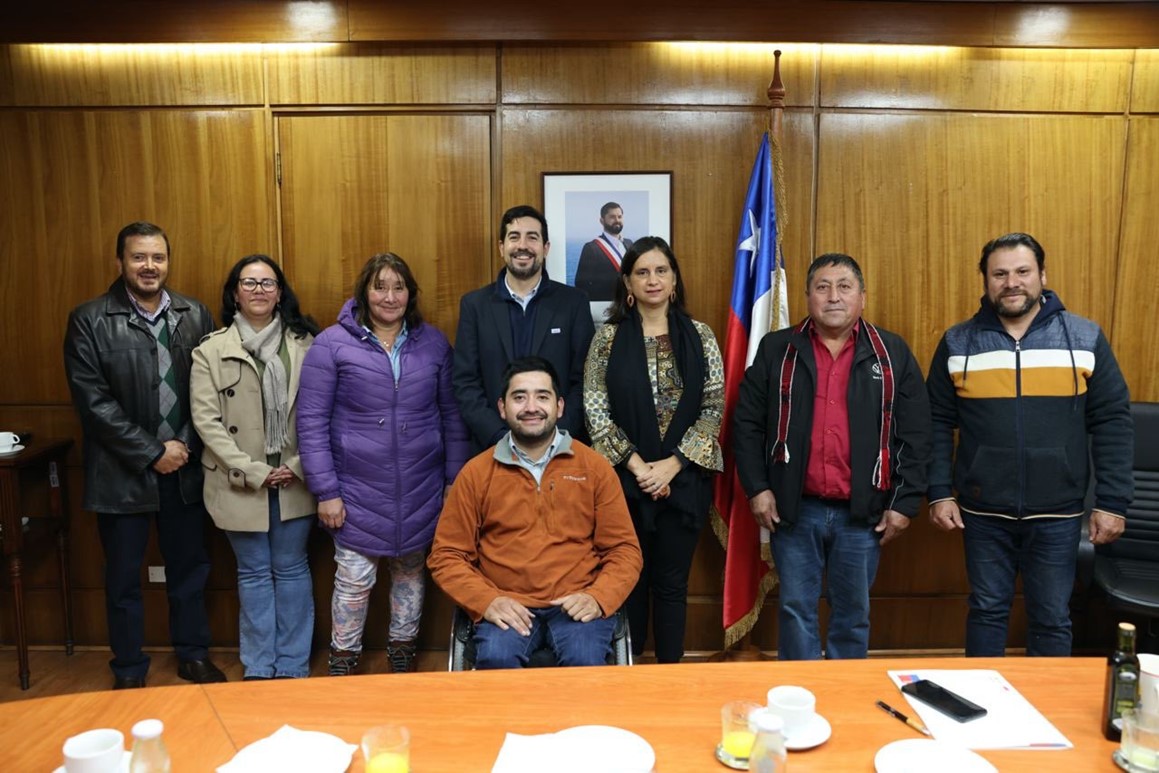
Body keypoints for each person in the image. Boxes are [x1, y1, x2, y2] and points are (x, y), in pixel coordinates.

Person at [927, 232, 1133, 657]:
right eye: (999, 274)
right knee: (985, 610)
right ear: (985, 281)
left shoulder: (1084, 337)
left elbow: (1112, 421)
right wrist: (938, 492)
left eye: (1022, 271)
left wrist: (1112, 502)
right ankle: (981, 715)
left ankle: (1046, 716)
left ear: (1042, 274)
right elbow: (935, 423)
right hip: (982, 513)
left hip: (1057, 513)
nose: (1012, 282)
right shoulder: (958, 342)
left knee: (1052, 618)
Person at [732, 253, 930, 660]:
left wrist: (904, 504)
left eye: (844, 287)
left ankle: (843, 699)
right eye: (823, 287)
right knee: (796, 610)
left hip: (863, 513)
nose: (833, 297)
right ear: (807, 297)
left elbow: (916, 434)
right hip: (794, 509)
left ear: (862, 296)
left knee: (853, 613)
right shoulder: (777, 350)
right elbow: (746, 424)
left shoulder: (891, 353)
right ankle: (802, 697)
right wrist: (758, 488)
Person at [63, 221, 225, 689]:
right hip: (121, 474)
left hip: (186, 468)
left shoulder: (195, 314)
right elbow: (92, 403)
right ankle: (129, 668)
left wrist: (187, 446)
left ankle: (193, 655)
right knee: (122, 581)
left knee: (190, 571)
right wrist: (153, 451)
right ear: (121, 262)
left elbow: (212, 391)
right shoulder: (90, 319)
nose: (149, 266)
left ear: (167, 261)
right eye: (139, 257)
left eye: (157, 257)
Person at [297, 253, 468, 676]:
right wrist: (327, 492)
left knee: (411, 575)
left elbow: (452, 417)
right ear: (364, 292)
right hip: (354, 491)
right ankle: (344, 658)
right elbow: (311, 422)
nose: (389, 297)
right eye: (380, 287)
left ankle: (402, 653)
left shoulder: (433, 344)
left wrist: (453, 482)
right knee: (353, 582)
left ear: (410, 294)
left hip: (421, 486)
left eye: (398, 287)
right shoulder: (331, 344)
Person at [429, 357, 643, 669]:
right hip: (508, 604)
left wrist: (598, 597)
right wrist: (487, 601)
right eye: (520, 397)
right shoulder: (476, 473)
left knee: (585, 661)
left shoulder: (594, 467)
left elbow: (624, 550)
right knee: (497, 660)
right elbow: (446, 555)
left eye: (542, 396)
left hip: (576, 603)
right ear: (502, 408)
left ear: (559, 406)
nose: (531, 406)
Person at [582, 236, 723, 663]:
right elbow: (595, 409)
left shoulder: (700, 336)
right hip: (624, 485)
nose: (652, 279)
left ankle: (669, 675)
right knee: (628, 582)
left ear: (675, 279)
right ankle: (629, 676)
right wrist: (640, 467)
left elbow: (714, 405)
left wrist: (672, 466)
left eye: (661, 270)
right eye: (642, 271)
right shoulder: (606, 339)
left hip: (684, 482)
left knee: (672, 585)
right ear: (627, 281)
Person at [191, 255, 319, 680]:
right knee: (253, 573)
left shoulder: (308, 346)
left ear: (280, 292)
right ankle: (260, 666)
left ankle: (293, 664)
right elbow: (206, 421)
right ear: (234, 293)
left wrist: (297, 466)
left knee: (292, 569)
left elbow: (326, 414)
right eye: (250, 283)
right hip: (238, 481)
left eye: (268, 283)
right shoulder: (211, 350)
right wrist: (253, 469)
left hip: (295, 479)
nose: (260, 290)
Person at [453, 204, 595, 453]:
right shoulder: (475, 305)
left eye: (532, 237)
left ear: (545, 248)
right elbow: (466, 383)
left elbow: (584, 380)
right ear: (501, 247)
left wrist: (554, 437)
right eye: (514, 237)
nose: (523, 246)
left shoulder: (573, 303)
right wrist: (500, 438)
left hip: (560, 448)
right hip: (493, 449)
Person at [575, 201, 633, 302]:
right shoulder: (592, 248)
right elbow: (581, 284)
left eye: (619, 217)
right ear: (602, 221)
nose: (617, 220)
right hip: (605, 307)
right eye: (612, 217)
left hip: (630, 304)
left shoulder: (629, 244)